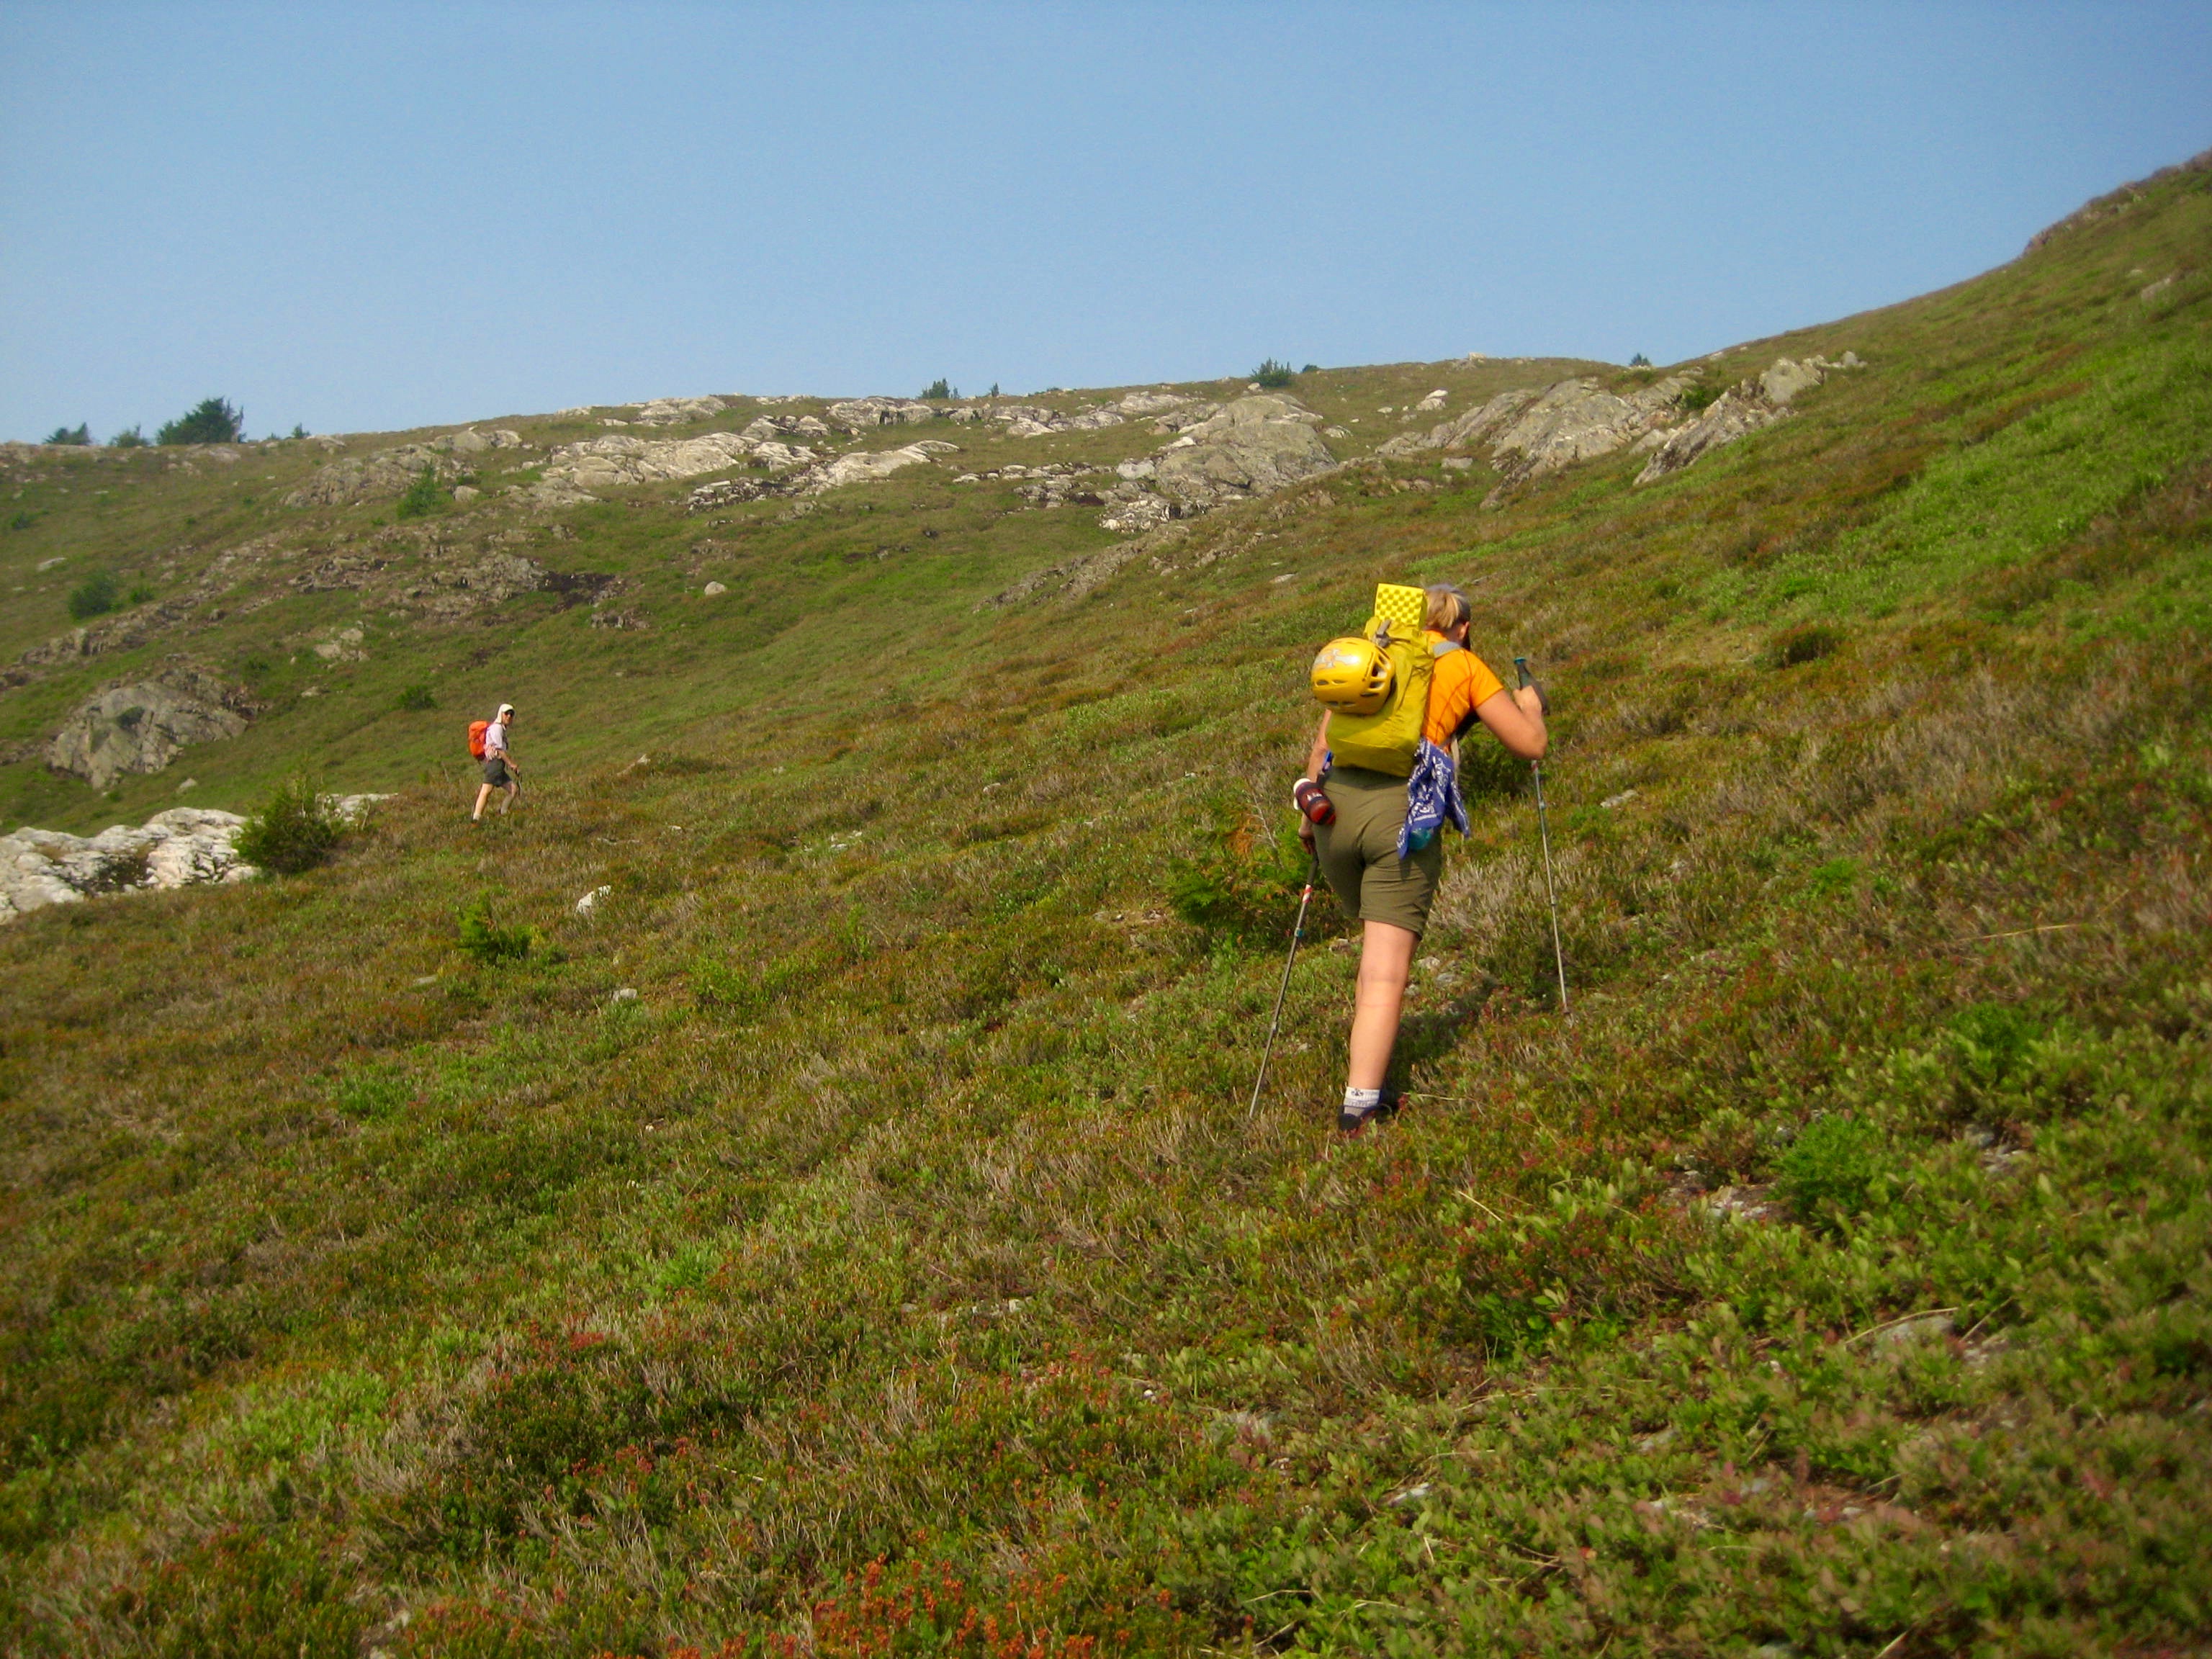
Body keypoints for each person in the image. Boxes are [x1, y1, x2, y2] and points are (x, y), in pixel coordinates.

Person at [1295, 585, 1547, 1133]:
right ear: (1461, 628)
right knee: (1386, 973)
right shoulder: (1465, 665)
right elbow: (1529, 745)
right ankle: (1360, 1109)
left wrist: (1306, 821)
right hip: (1401, 819)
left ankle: (1364, 1069)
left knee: (1372, 955)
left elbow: (1324, 745)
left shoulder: (1378, 654)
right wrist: (1531, 708)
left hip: (1334, 811)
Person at [472, 703, 521, 821]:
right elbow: (499, 750)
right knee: (487, 790)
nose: (509, 716)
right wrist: (512, 765)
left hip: (499, 765)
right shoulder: (496, 728)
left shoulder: (501, 729)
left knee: (513, 789)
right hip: (494, 763)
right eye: (507, 714)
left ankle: (503, 813)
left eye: (511, 714)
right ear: (501, 714)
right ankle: (476, 818)